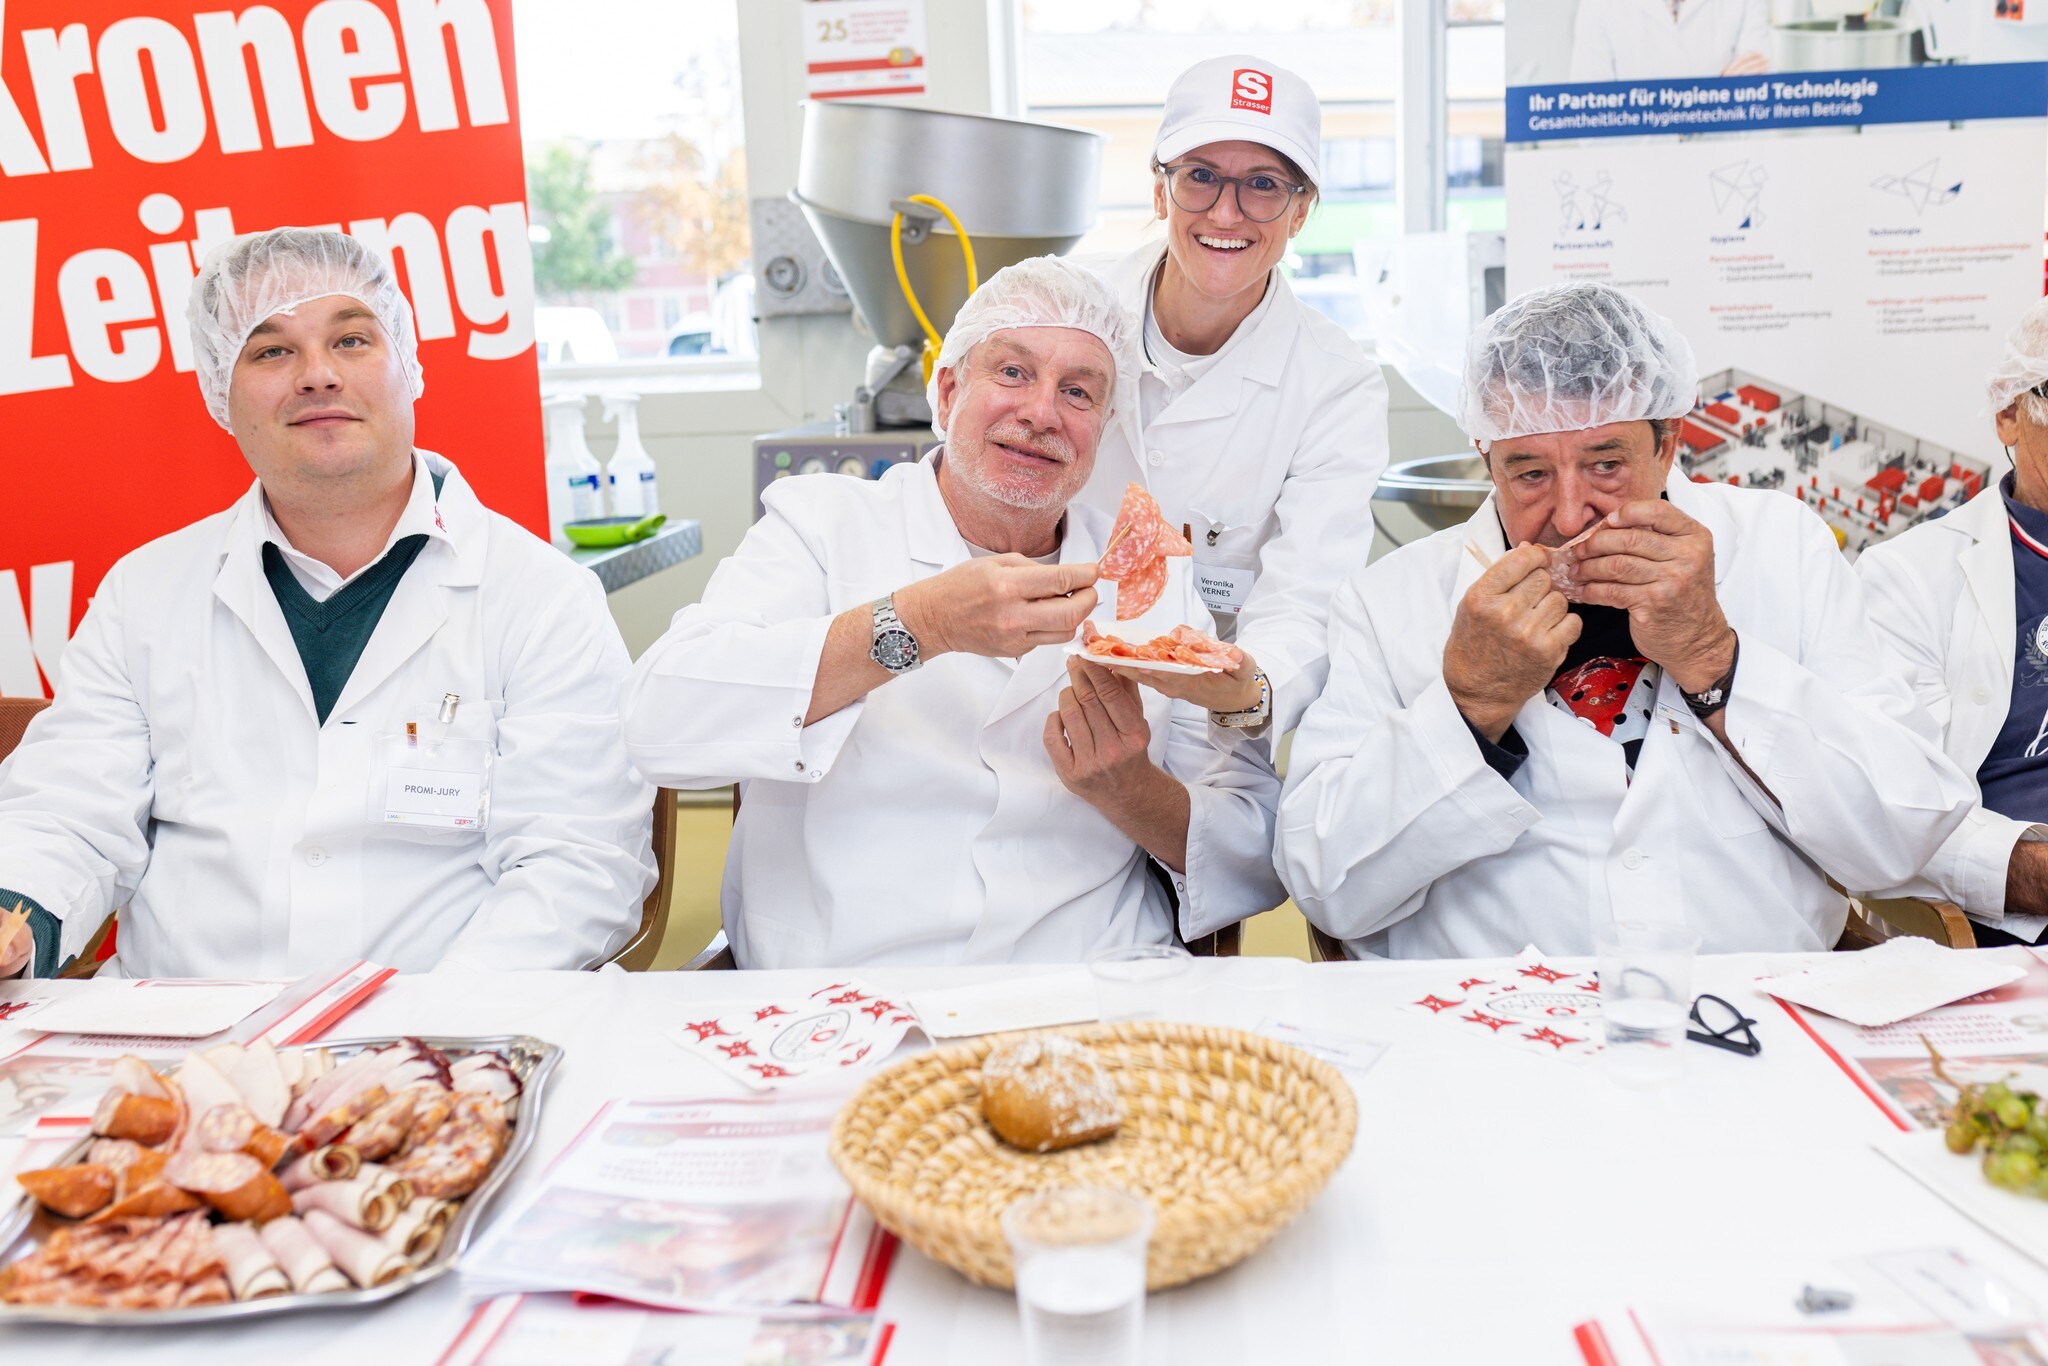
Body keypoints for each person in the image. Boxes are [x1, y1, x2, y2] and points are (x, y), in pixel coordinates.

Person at [0, 228, 655, 980]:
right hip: (180, 1040)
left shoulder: (540, 598)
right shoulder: (144, 592)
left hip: (440, 1049)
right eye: (271, 351)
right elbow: (68, 811)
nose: (317, 376)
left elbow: (575, 867)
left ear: (406, 365)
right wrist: (14, 913)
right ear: (222, 390)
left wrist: (425, 1032)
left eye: (350, 339)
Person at [620, 257, 1284, 968]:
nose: (1040, 413)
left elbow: (1253, 854)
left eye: (1079, 392)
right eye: (1011, 373)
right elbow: (661, 722)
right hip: (843, 990)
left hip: (1089, 981)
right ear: (946, 391)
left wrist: (1130, 789)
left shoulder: (1149, 578)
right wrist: (914, 626)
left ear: (1104, 429)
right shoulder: (823, 526)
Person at [1274, 282, 1970, 958]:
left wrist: (1713, 660)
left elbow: (1906, 833)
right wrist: (1469, 707)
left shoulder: (1781, 548)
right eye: (1530, 474)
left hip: (1754, 1010)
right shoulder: (1390, 600)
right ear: (1487, 458)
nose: (1571, 514)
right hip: (1488, 1026)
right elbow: (1326, 884)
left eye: (1606, 464)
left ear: (1668, 444)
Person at [1079, 55, 1389, 739]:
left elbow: (1304, 603)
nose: (1227, 211)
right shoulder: (1070, 311)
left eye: (1263, 184)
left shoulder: (1336, 383)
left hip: (1212, 731)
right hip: (1043, 675)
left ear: (1301, 210)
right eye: (1200, 177)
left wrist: (1241, 688)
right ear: (1160, 192)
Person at [1855, 300, 2048, 945]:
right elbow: (1895, 803)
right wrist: (2032, 871)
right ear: (2008, 416)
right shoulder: (1907, 577)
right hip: (2015, 913)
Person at [1568, 0, 1769, 81]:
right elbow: (1589, 113)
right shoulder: (1599, 6)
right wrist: (1717, 99)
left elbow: (1759, 94)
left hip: (1727, 159)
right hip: (1634, 164)